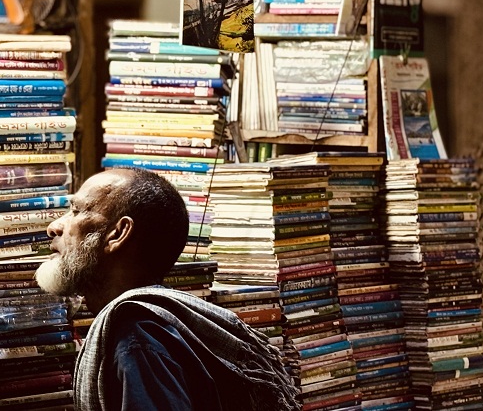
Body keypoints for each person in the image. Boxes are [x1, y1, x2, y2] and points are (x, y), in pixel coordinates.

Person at [37, 168, 299, 411]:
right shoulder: (156, 326)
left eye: (76, 211)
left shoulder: (138, 339)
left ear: (117, 234)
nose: (55, 227)